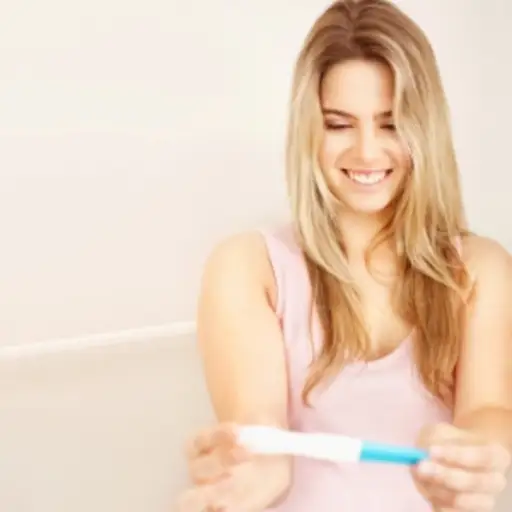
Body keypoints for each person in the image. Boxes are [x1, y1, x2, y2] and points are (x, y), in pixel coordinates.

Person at [178, 0, 512, 510]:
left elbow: (489, 410)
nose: (367, 152)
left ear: (425, 128)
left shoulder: (481, 269)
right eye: (339, 124)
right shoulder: (248, 267)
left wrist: (474, 458)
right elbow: (259, 433)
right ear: (309, 128)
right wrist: (243, 476)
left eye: (391, 124)